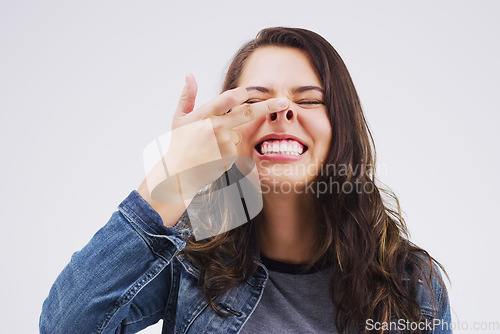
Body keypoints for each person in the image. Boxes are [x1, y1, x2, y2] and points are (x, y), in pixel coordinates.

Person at [40, 27, 452, 333]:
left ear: (341, 128)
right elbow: (64, 326)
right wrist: (173, 178)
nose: (282, 111)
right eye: (255, 101)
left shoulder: (411, 285)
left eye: (308, 100)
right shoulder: (189, 257)